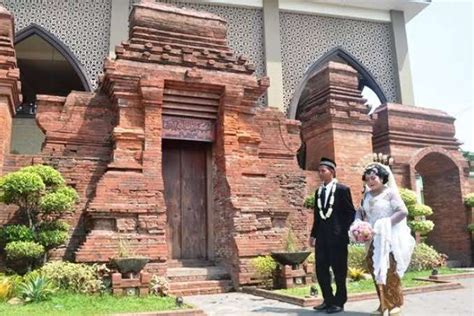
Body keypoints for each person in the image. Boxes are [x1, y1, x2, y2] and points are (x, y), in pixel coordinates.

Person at [355, 163, 415, 316]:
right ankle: (383, 304)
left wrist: (385, 224)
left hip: (389, 238)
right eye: (367, 179)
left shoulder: (390, 194)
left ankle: (395, 303)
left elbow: (402, 211)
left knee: (389, 270)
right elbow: (361, 212)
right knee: (375, 269)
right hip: (372, 239)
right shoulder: (367, 195)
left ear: (382, 178)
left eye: (373, 178)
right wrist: (358, 224)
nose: (370, 181)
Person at [310, 157, 356, 314]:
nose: (320, 173)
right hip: (322, 238)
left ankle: (339, 302)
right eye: (319, 171)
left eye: (323, 171)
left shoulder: (342, 190)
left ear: (332, 172)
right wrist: (313, 235)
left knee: (339, 270)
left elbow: (350, 212)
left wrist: (343, 231)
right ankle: (327, 300)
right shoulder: (318, 192)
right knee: (321, 269)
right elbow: (317, 216)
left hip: (338, 238)